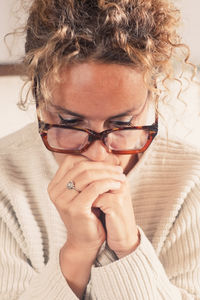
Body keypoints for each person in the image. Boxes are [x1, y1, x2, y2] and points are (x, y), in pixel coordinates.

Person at [0, 0, 200, 299]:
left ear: (152, 100)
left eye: (121, 123)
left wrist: (128, 248)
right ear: (38, 98)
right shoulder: (5, 177)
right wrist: (78, 251)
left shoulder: (191, 182)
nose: (96, 156)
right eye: (69, 122)